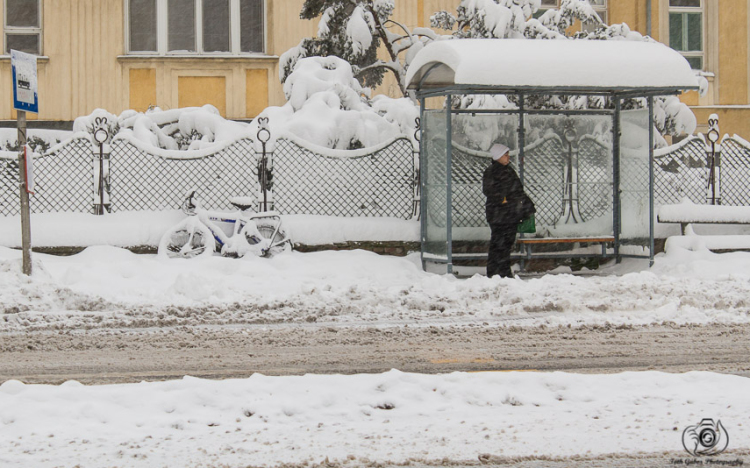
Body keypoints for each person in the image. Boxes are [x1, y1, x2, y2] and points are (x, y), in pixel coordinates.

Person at [482, 143, 535, 278]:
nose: (508, 157)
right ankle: (495, 272)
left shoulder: (508, 170)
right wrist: (502, 199)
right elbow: (489, 190)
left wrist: (527, 206)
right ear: (498, 156)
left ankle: (503, 271)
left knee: (506, 244)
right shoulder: (492, 171)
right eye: (505, 155)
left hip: (509, 214)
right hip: (499, 215)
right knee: (499, 243)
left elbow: (518, 190)